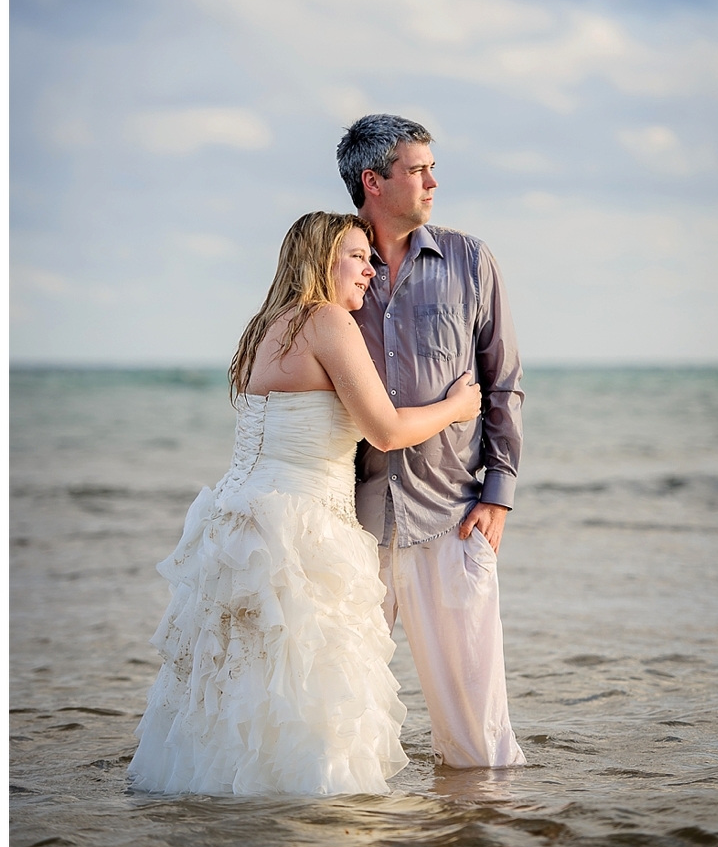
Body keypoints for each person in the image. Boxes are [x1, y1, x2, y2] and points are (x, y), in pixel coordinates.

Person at [127, 211, 480, 797]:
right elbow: (386, 430)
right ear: (320, 261)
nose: (370, 269)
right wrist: (459, 406)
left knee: (237, 678)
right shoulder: (326, 321)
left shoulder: (265, 325)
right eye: (356, 256)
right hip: (301, 524)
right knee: (309, 682)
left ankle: (226, 798)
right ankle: (310, 810)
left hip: (236, 522)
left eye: (370, 257)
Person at [336, 115, 527, 769]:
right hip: (352, 524)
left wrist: (498, 497)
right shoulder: (334, 270)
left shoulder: (472, 260)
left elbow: (504, 383)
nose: (432, 182)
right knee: (343, 715)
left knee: (479, 735)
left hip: (453, 517)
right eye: (418, 170)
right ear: (373, 181)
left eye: (430, 168)